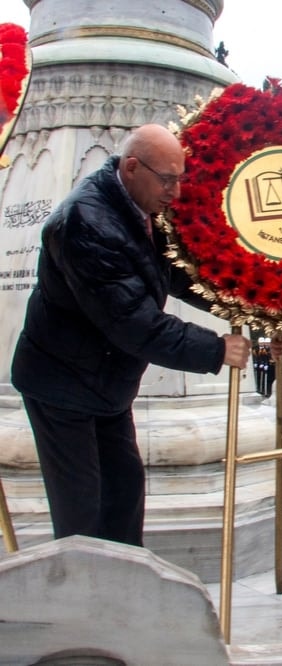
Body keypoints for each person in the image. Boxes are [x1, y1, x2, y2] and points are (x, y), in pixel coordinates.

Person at [10, 123, 251, 547]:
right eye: (168, 180)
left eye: (180, 179)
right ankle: (84, 599)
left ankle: (125, 586)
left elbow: (174, 275)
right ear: (133, 167)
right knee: (82, 508)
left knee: (123, 492)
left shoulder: (141, 208)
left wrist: (243, 302)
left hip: (106, 383)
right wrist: (215, 350)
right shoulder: (87, 223)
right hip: (61, 384)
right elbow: (133, 322)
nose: (175, 193)